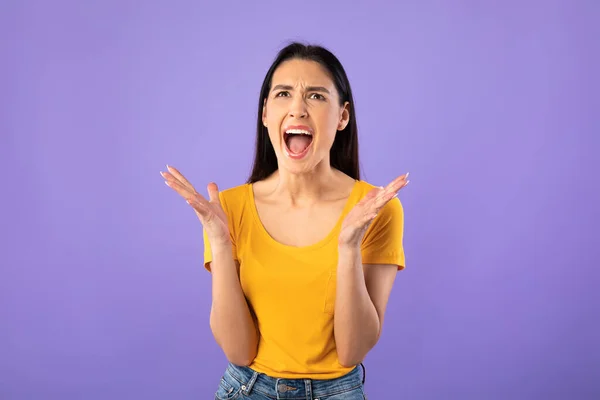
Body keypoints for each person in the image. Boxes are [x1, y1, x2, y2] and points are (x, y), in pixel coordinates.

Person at [160, 42, 409, 399]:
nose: (298, 109)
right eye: (283, 93)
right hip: (247, 390)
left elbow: (352, 351)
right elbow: (238, 351)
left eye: (317, 96)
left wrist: (348, 246)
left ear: (343, 116)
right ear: (265, 113)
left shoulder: (375, 209)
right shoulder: (227, 208)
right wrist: (220, 241)